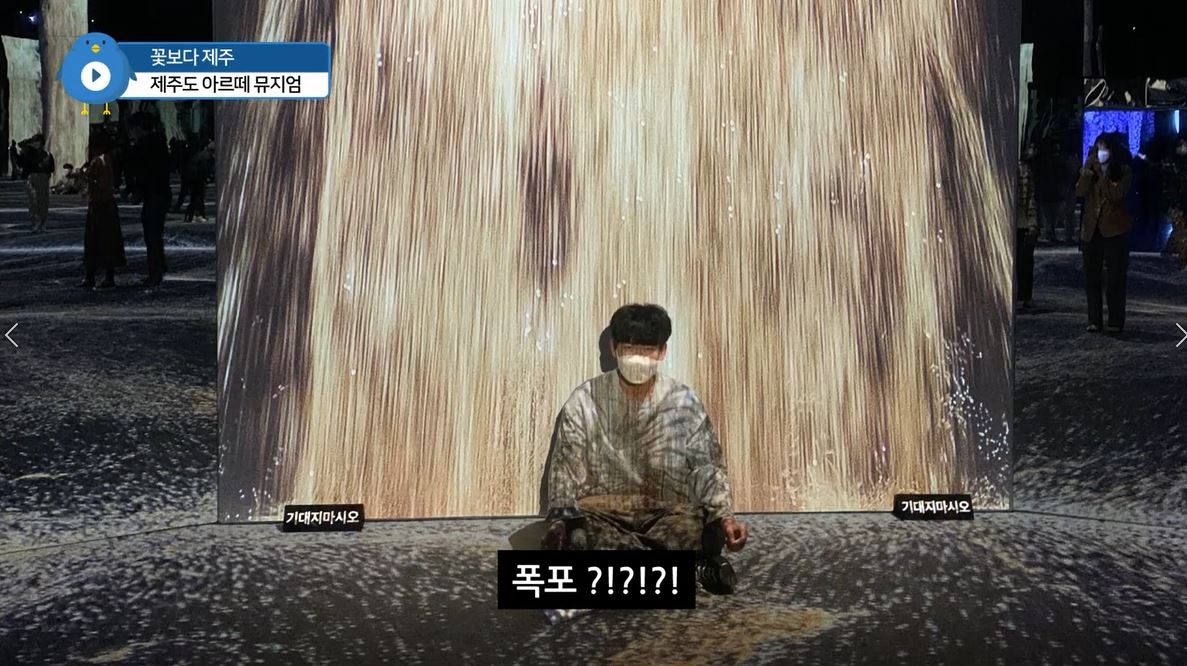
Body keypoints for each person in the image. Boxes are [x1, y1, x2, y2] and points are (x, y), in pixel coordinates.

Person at [543, 303, 748, 595]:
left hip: (666, 514)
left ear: (662, 351)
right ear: (614, 348)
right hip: (605, 514)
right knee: (578, 536)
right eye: (630, 349)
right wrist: (560, 520)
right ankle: (689, 571)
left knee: (700, 530)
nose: (638, 358)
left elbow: (706, 467)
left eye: (648, 350)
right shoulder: (584, 400)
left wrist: (725, 516)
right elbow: (566, 464)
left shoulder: (683, 401)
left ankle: (630, 574)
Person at [1075, 133, 1133, 334]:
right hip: (1092, 230)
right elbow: (1080, 192)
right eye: (1098, 147)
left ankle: (1115, 320)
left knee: (1115, 278)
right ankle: (1094, 320)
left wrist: (1101, 175)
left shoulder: (1124, 171)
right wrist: (1087, 171)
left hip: (1115, 230)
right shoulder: (1090, 170)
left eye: (1104, 147)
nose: (1100, 152)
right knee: (1092, 277)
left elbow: (1116, 195)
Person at [126, 112, 172, 287]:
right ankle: (159, 266)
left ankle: (155, 271)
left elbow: (143, 173)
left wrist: (136, 191)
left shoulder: (144, 146)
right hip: (161, 194)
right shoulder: (158, 143)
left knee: (152, 235)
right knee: (155, 234)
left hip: (153, 195)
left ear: (138, 128)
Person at [81, 132, 127, 290]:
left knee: (96, 241)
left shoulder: (98, 161)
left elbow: (100, 183)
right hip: (107, 204)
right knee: (107, 241)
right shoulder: (107, 159)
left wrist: (87, 178)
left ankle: (93, 276)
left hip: (99, 205)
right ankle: (105, 275)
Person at [1017, 143, 1041, 309]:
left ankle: (1023, 295)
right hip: (1021, 221)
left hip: (1022, 222)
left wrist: (1032, 222)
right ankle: (1023, 295)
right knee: (1024, 260)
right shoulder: (1024, 169)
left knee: (1024, 260)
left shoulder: (1025, 170)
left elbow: (1030, 198)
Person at [1160, 136, 1187, 268]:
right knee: (1181, 230)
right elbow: (1168, 186)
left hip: (1182, 203)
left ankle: (1170, 251)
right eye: (1180, 145)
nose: (1183, 147)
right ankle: (1181, 260)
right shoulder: (1170, 165)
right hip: (1175, 204)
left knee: (1180, 230)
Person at [17, 134, 54, 232]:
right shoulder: (28, 153)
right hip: (32, 177)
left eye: (37, 142)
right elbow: (21, 163)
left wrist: (45, 166)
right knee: (34, 200)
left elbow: (51, 168)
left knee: (43, 201)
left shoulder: (46, 154)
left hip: (43, 178)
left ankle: (42, 221)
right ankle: (36, 221)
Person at [182, 139, 215, 223]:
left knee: (195, 197)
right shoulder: (207, 157)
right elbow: (203, 169)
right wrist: (207, 178)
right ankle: (197, 215)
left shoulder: (202, 154)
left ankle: (192, 216)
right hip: (196, 178)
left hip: (192, 177)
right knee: (198, 197)